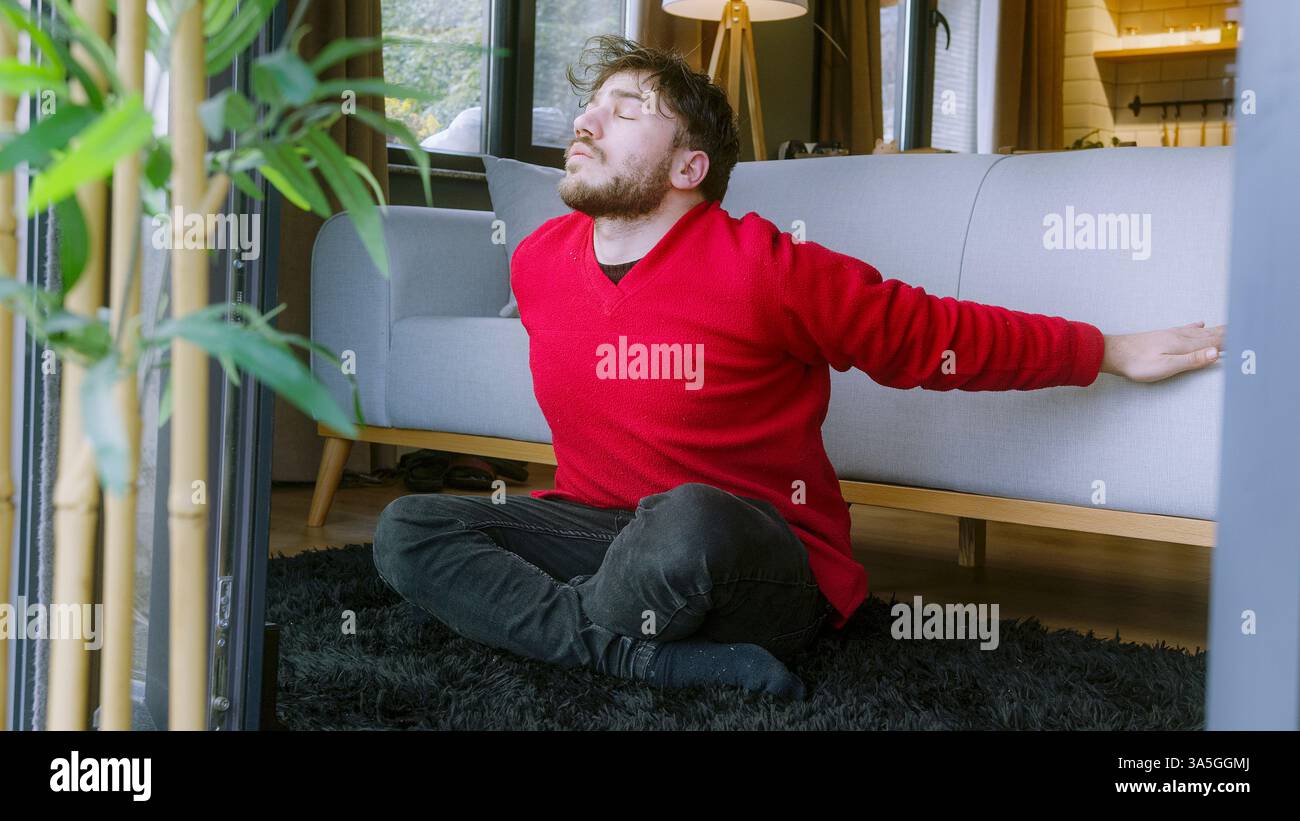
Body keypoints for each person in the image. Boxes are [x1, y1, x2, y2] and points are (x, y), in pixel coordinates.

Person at [373, 35, 1225, 701]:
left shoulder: (767, 267)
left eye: (624, 109)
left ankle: (587, 637)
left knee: (688, 520)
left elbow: (933, 334)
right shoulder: (536, 261)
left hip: (755, 556)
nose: (585, 123)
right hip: (599, 531)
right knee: (408, 529)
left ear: (689, 167)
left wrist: (1104, 350)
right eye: (588, 106)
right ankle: (641, 658)